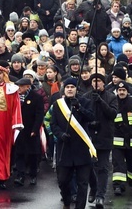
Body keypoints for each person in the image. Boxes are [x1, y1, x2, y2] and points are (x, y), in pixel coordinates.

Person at [49, 77, 96, 209]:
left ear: (76, 89)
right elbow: (53, 124)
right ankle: (67, 201)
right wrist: (60, 134)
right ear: (64, 89)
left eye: (72, 87)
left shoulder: (85, 102)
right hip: (65, 148)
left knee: (82, 183)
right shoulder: (58, 104)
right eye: (68, 87)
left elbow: (91, 117)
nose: (70, 89)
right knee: (63, 180)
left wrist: (79, 108)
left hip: (81, 148)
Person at [87, 72, 118, 209]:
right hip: (89, 138)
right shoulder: (86, 97)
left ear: (103, 83)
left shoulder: (111, 97)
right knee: (89, 167)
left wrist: (100, 101)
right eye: (94, 81)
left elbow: (112, 114)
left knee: (103, 168)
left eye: (99, 81)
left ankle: (100, 195)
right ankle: (93, 188)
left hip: (104, 136)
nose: (96, 83)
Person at [13, 77, 45, 188]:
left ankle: (33, 175)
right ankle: (20, 176)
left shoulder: (36, 97)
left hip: (31, 130)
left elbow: (39, 115)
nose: (19, 88)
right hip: (19, 130)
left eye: (21, 86)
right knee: (19, 153)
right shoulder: (15, 97)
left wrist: (35, 129)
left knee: (33, 154)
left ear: (27, 86)